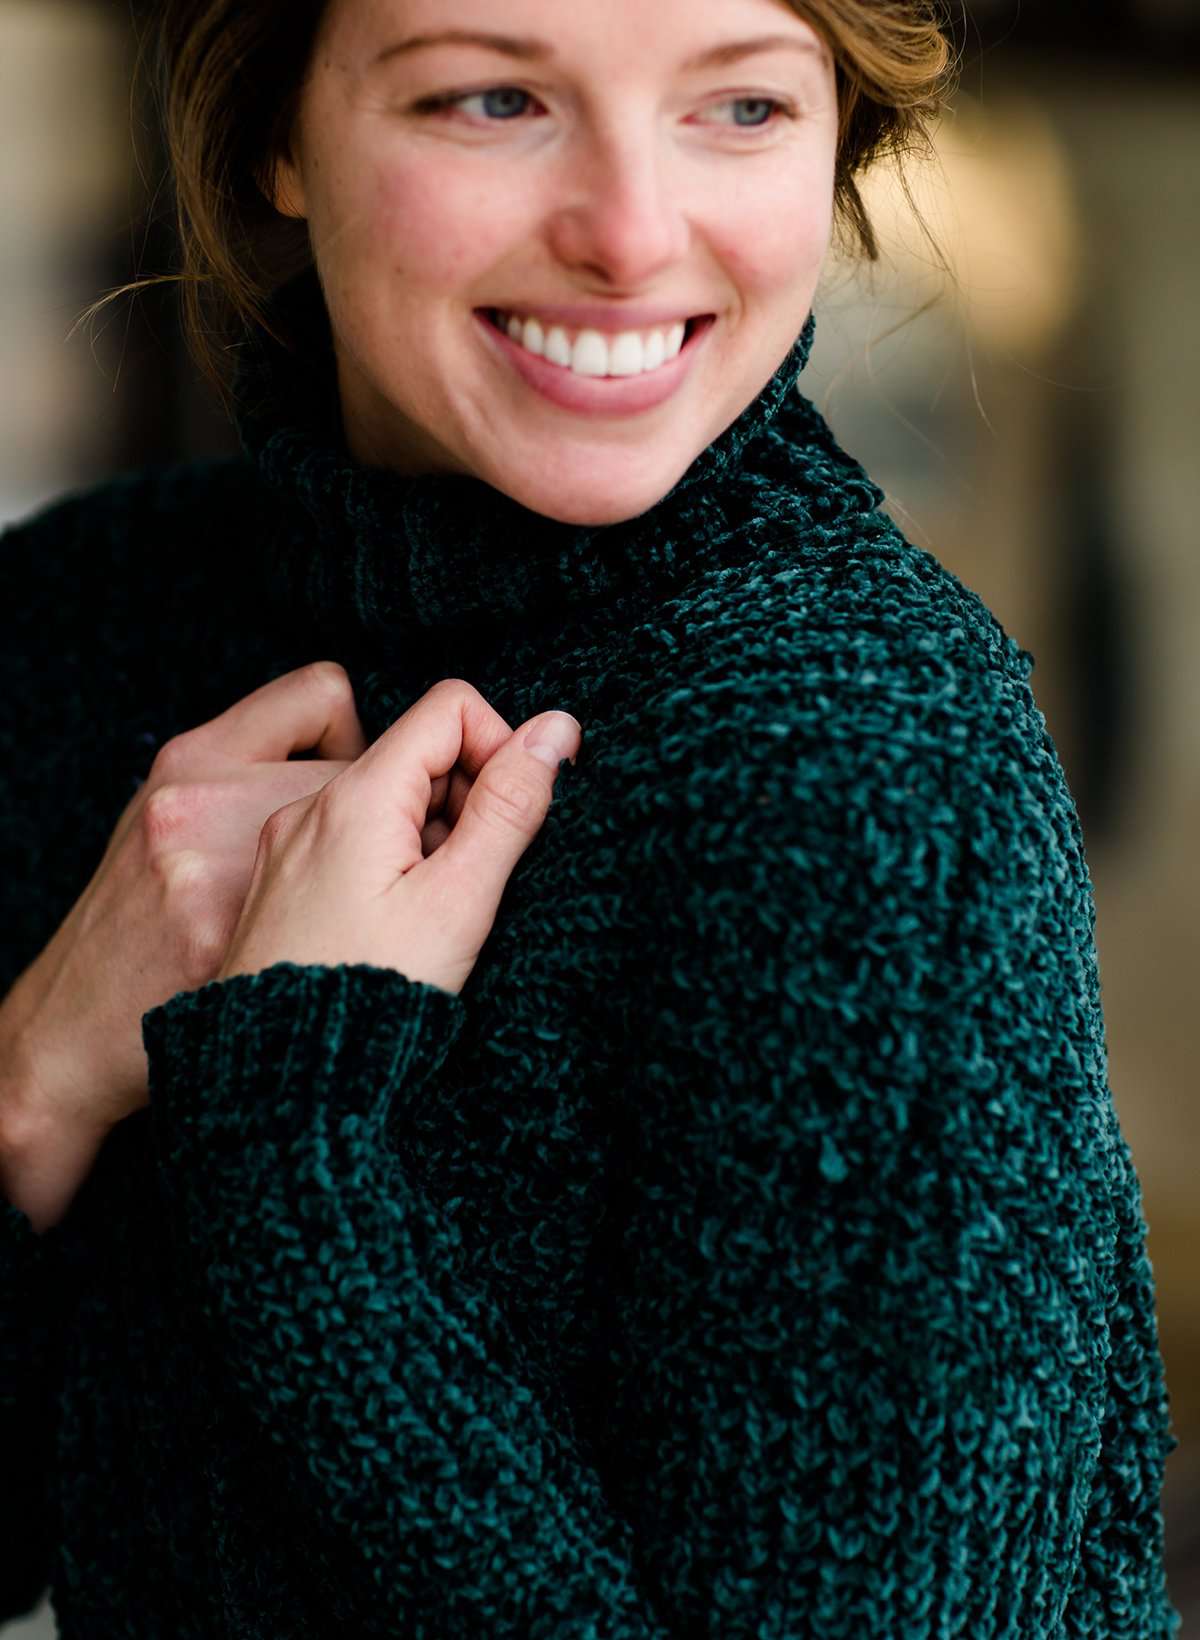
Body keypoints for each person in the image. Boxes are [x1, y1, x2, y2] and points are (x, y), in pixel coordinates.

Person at [0, 0, 1182, 1634]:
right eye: (494, 99)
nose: (630, 235)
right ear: (271, 126)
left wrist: (292, 1144)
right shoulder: (77, 620)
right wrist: (37, 1072)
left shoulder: (868, 778)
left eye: (742, 107)